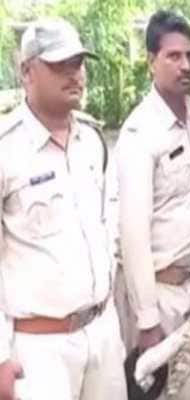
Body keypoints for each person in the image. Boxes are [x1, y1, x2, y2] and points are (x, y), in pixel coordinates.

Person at [0, 18, 127, 400]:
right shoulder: (7, 150)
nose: (74, 75)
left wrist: (115, 330)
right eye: (59, 65)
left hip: (101, 334)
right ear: (27, 72)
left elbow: (108, 235)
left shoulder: (92, 141)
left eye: (79, 63)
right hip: (40, 350)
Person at [114, 10, 190, 400]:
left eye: (189, 55)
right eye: (173, 56)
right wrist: (148, 320)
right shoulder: (139, 134)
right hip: (159, 296)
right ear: (151, 60)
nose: (185, 65)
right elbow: (132, 233)